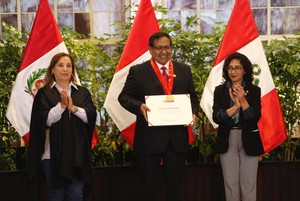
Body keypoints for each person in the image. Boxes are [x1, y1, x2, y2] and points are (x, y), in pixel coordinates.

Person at [118, 32, 199, 201]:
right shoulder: (138, 71)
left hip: (176, 140)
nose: (164, 51)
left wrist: (192, 113)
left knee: (174, 188)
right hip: (149, 139)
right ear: (150, 50)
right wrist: (139, 106)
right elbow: (124, 97)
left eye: (167, 47)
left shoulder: (184, 70)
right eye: (159, 48)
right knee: (148, 188)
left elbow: (193, 98)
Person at [28, 52, 97, 201]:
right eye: (60, 65)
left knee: (76, 195)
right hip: (51, 156)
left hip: (77, 155)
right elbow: (42, 121)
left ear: (73, 70)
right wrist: (61, 106)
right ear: (52, 69)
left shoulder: (82, 92)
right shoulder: (44, 93)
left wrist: (73, 109)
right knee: (56, 195)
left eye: (69, 65)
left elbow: (90, 116)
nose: (65, 69)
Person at [212, 52, 264, 201]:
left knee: (248, 185)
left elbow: (254, 118)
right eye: (230, 68)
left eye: (237, 68)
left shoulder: (254, 90)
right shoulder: (219, 90)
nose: (233, 71)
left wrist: (243, 100)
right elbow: (217, 117)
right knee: (231, 185)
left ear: (244, 70)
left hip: (249, 138)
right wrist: (234, 108)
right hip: (227, 139)